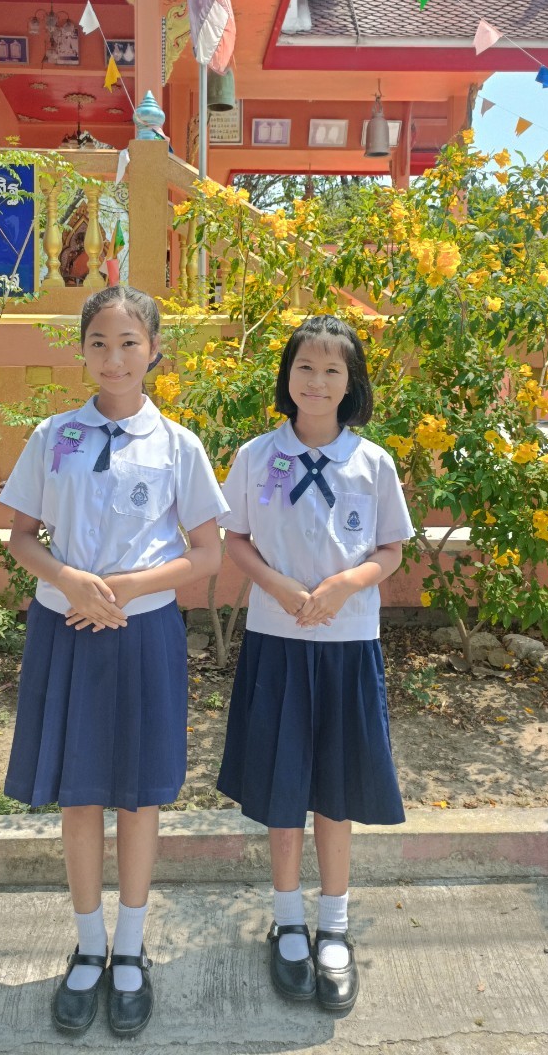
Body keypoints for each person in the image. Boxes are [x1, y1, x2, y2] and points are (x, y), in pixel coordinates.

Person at [0, 286, 228, 1037]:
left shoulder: (179, 446)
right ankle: (88, 946)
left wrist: (125, 588)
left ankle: (130, 948)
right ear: (82, 350)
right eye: (99, 342)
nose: (114, 357)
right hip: (66, 627)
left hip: (143, 633)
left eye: (130, 342)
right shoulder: (53, 436)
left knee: (136, 795)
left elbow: (206, 553)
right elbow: (21, 537)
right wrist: (70, 580)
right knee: (79, 795)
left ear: (154, 350)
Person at [216, 314, 413, 1016]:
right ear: (287, 377)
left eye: (333, 370)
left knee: (334, 787)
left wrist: (344, 586)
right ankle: (287, 922)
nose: (318, 381)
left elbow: (391, 549)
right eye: (306, 367)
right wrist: (276, 586)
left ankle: (333, 924)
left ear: (351, 382)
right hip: (277, 641)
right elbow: (235, 538)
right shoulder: (255, 456)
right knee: (282, 786)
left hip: (347, 644)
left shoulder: (373, 462)